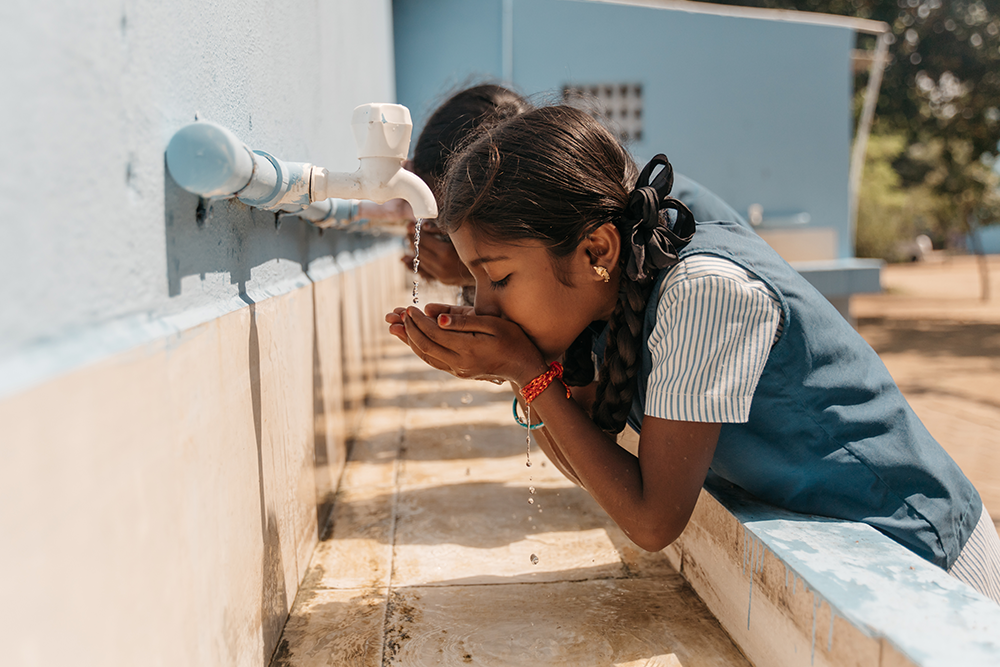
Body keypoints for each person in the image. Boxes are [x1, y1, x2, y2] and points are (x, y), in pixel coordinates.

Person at [385, 105, 1000, 603]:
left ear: (596, 249)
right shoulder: (605, 302)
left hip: (929, 559)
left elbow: (652, 521)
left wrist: (526, 371)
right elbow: (589, 466)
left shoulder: (702, 295)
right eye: (475, 282)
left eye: (498, 278)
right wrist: (525, 371)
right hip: (868, 568)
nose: (484, 305)